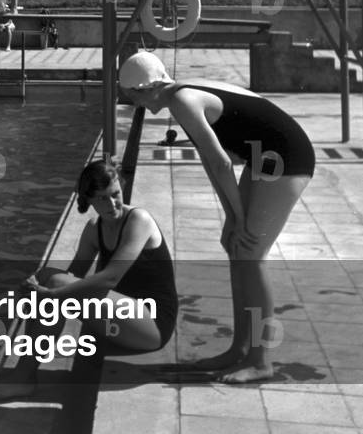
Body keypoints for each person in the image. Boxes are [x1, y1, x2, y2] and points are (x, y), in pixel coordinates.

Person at [118, 50, 316, 384]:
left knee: (251, 254)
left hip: (287, 156)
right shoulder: (181, 93)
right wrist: (230, 216)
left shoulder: (182, 101)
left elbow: (223, 163)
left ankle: (260, 360)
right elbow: (212, 164)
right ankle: (238, 350)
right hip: (265, 156)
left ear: (144, 89)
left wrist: (240, 218)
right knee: (236, 247)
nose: (135, 105)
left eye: (132, 97)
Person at [0, 159, 177, 400]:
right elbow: (71, 277)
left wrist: (52, 294)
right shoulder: (94, 228)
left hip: (152, 327)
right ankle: (26, 370)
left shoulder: (139, 220)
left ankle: (24, 378)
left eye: (116, 194)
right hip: (119, 321)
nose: (113, 203)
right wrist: (32, 291)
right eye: (103, 198)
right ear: (90, 200)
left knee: (53, 288)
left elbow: (110, 279)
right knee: (46, 276)